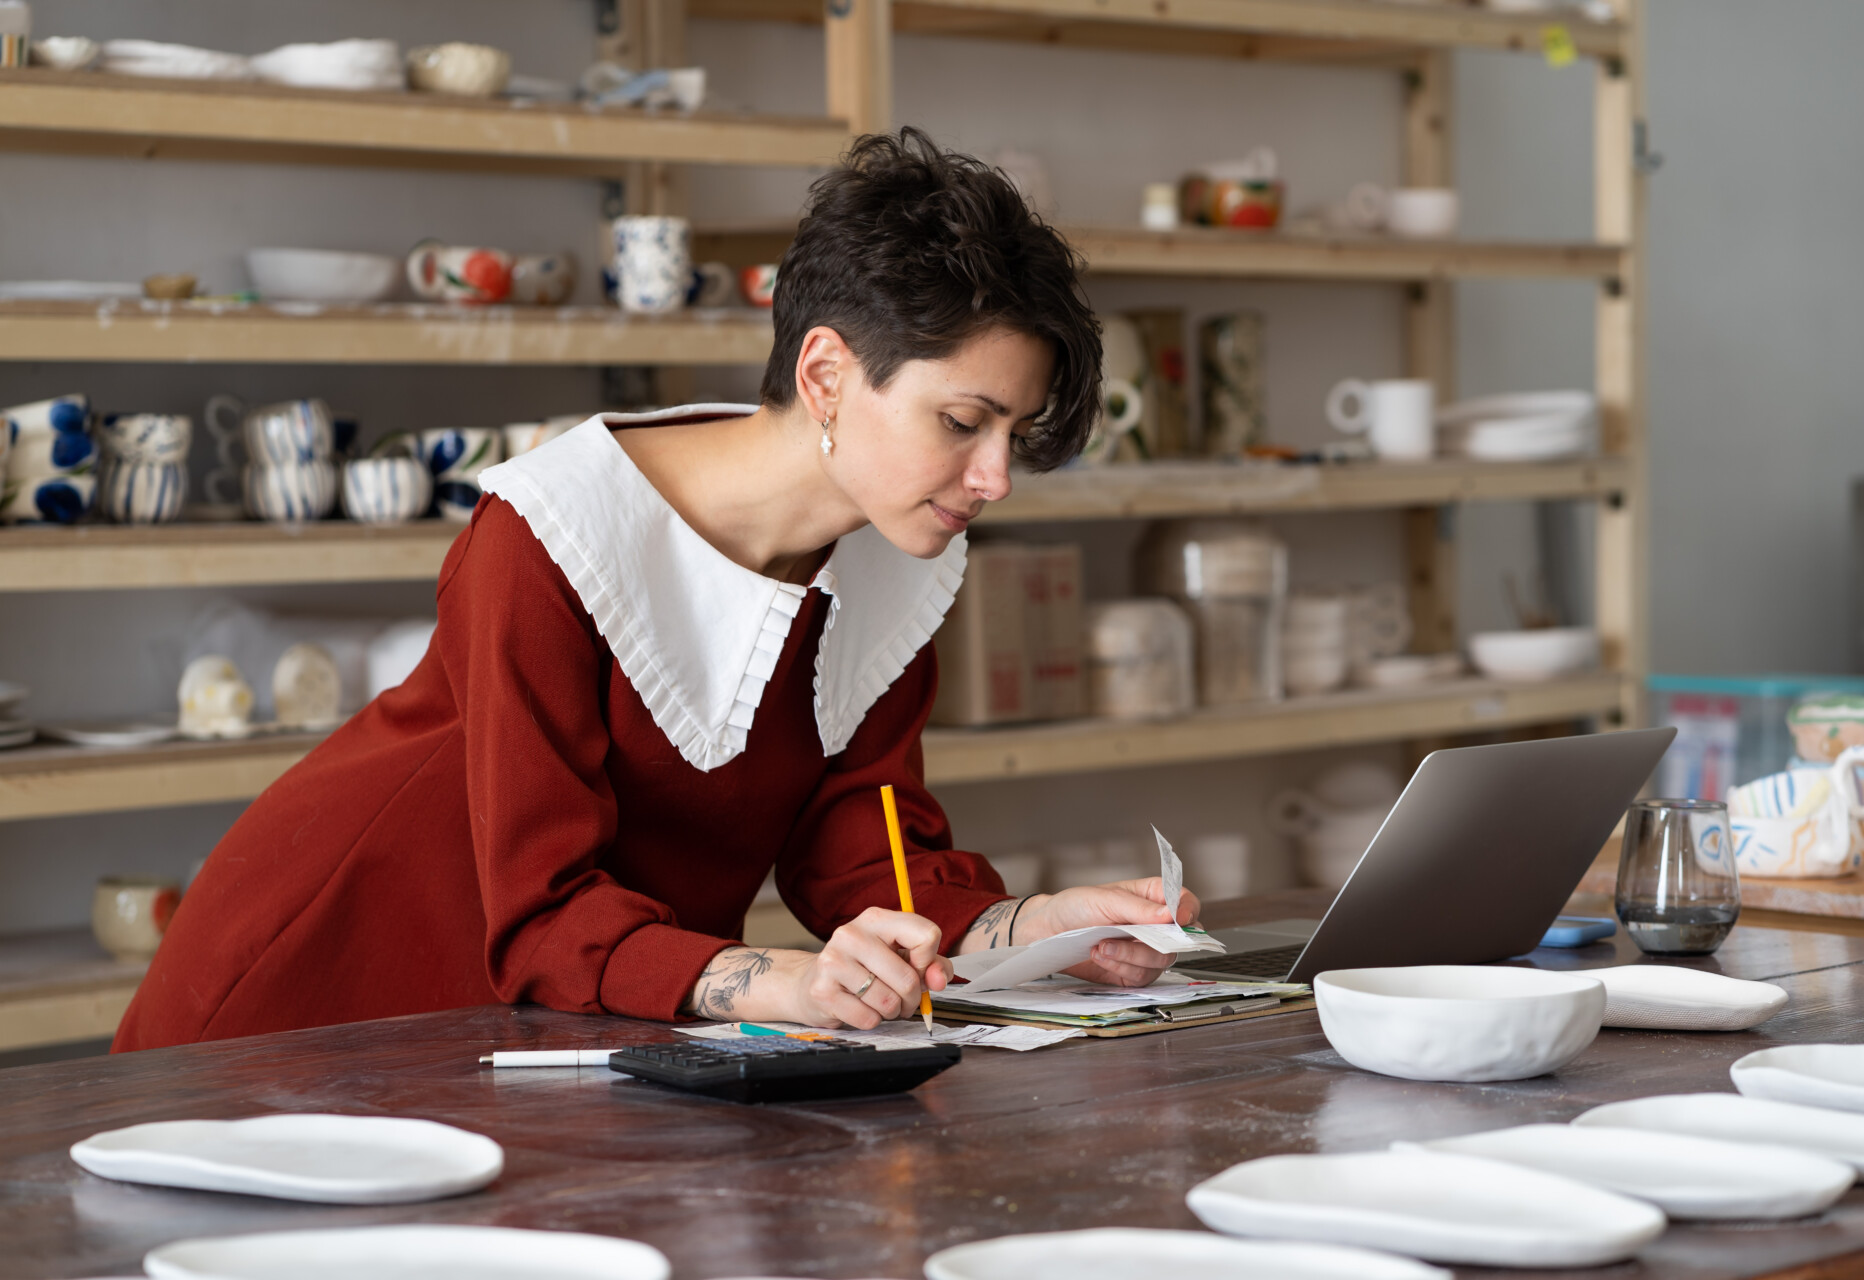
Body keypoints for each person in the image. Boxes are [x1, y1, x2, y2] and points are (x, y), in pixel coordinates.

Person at [114, 129, 1200, 1052]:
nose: (995, 476)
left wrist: (1039, 924)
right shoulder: (551, 533)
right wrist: (778, 982)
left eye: (1014, 433)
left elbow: (863, 854)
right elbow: (541, 912)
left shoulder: (887, 554)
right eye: (963, 424)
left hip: (555, 1022)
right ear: (824, 373)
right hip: (316, 998)